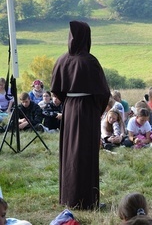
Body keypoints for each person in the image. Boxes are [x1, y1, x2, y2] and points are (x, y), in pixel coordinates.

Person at [51, 21, 110, 210]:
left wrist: (69, 100)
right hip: (86, 110)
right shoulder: (90, 61)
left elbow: (57, 90)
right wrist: (97, 110)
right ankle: (86, 200)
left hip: (69, 110)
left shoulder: (62, 60)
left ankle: (69, 198)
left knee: (70, 153)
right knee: (85, 153)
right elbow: (102, 93)